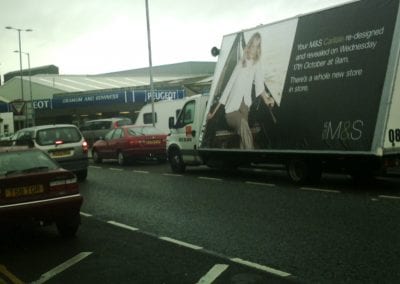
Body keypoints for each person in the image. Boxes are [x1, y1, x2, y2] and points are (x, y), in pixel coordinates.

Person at [207, 32, 275, 149]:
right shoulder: (240, 63)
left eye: (257, 46)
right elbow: (228, 88)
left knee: (244, 134)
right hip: (231, 110)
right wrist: (213, 113)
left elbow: (259, 86)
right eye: (252, 45)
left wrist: (268, 99)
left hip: (245, 106)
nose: (254, 49)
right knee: (243, 124)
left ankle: (244, 156)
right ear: (249, 46)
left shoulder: (257, 64)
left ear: (258, 48)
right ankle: (251, 153)